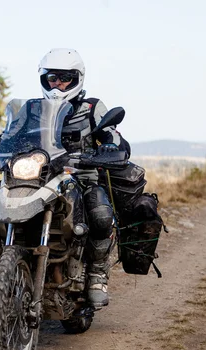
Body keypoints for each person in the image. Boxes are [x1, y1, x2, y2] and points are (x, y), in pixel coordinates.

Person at [38, 48, 131, 308]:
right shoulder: (34, 110)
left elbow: (111, 133)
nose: (57, 83)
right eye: (52, 78)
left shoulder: (90, 107)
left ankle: (97, 274)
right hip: (42, 178)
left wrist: (111, 145)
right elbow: (14, 135)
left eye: (64, 77)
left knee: (101, 215)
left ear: (77, 78)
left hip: (84, 176)